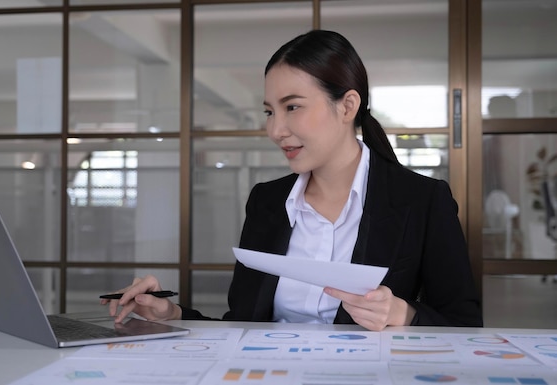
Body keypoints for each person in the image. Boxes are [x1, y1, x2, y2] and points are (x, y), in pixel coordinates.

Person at [102, 29, 483, 331]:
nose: (276, 129)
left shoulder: (421, 200)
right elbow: (243, 325)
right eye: (270, 111)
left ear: (347, 106)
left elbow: (464, 325)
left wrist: (403, 314)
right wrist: (171, 313)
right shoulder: (267, 202)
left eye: (293, 107)